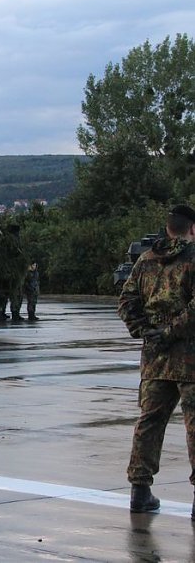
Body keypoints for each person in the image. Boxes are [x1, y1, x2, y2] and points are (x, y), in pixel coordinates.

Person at [118, 204, 195, 516]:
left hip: (155, 358)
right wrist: (171, 332)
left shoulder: (146, 259)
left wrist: (146, 331)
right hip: (189, 357)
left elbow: (126, 301)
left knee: (149, 422)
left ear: (168, 228)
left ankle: (140, 491)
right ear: (192, 229)